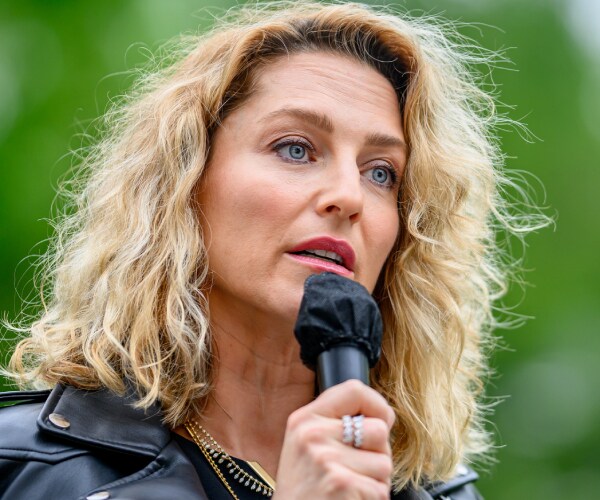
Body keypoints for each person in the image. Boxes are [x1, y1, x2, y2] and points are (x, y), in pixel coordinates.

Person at [0, 1, 544, 499]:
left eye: (381, 172)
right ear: (187, 181)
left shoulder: (443, 494)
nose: (349, 196)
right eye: (296, 148)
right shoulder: (22, 468)